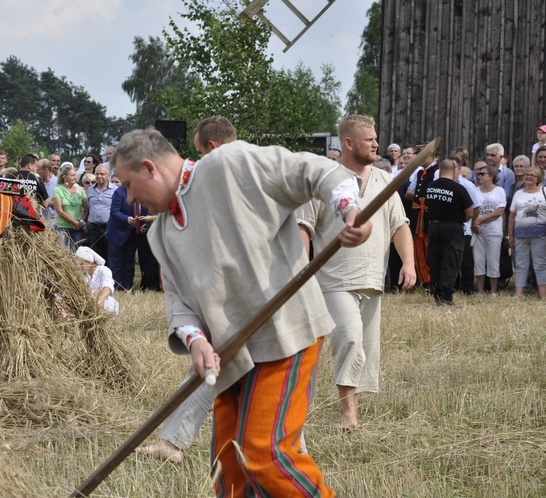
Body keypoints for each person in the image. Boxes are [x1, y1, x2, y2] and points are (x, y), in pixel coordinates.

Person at [113, 128, 371, 497]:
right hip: (232, 357)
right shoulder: (161, 234)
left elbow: (313, 171)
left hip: (284, 335)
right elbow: (180, 305)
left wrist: (350, 210)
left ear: (149, 167)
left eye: (128, 183)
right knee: (229, 466)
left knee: (263, 455)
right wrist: (197, 342)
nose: (129, 196)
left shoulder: (227, 164)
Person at [297, 115, 415, 429]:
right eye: (369, 140)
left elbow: (399, 225)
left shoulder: (383, 180)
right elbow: (303, 227)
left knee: (365, 348)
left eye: (376, 138)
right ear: (349, 143)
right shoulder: (325, 180)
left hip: (373, 279)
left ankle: (353, 412)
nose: (376, 144)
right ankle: (346, 415)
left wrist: (409, 263)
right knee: (348, 338)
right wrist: (301, 267)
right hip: (333, 279)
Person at [138, 115, 237, 464]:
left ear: (211, 147)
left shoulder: (237, 179)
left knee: (229, 366)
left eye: (198, 152)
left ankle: (174, 443)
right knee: (212, 363)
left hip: (251, 295)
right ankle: (173, 442)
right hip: (224, 292)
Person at [425, 159, 474, 305]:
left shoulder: (431, 187)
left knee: (436, 260)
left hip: (434, 227)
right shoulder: (458, 188)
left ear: (440, 170)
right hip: (452, 228)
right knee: (451, 261)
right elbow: (470, 212)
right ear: (454, 171)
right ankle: (446, 297)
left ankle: (436, 293)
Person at [508, 164, 546, 299]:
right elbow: (512, 216)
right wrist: (511, 235)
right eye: (527, 175)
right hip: (521, 235)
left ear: (539, 178)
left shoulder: (545, 192)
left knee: (540, 264)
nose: (528, 177)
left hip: (539, 235)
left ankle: (543, 294)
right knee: (520, 264)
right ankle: (519, 293)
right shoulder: (518, 193)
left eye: (532, 175)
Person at [106, 186, 159, 291]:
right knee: (116, 262)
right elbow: (114, 212)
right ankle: (115, 287)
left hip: (133, 233)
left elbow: (148, 210)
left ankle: (127, 287)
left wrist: (146, 224)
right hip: (118, 233)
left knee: (129, 261)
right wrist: (127, 219)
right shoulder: (119, 192)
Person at [406, 148, 440, 286]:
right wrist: (419, 199)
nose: (419, 159)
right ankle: (423, 280)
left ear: (433, 157)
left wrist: (422, 200)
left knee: (429, 249)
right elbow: (408, 193)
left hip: (428, 216)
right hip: (418, 216)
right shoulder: (419, 172)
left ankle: (432, 280)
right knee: (418, 249)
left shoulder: (437, 171)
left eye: (422, 156)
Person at [472, 165, 507, 295]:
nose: (479, 176)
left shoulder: (499, 191)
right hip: (478, 230)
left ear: (491, 176)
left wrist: (480, 220)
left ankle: (493, 291)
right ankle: (480, 290)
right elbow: (473, 209)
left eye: (482, 174)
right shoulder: (475, 190)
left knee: (493, 260)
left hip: (494, 230)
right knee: (478, 260)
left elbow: (499, 211)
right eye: (478, 174)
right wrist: (475, 224)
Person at [84, 164, 117, 261]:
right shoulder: (90, 190)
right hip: (94, 228)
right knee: (95, 256)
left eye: (102, 174)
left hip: (108, 227)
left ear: (108, 176)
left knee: (109, 255)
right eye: (97, 174)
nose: (99, 176)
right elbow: (89, 207)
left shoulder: (115, 190)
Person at [76, 246, 119, 315]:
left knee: (111, 305)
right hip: (85, 303)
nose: (79, 266)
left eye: (81, 263)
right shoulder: (80, 274)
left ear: (89, 262)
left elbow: (107, 288)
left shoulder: (104, 270)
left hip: (102, 302)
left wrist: (97, 304)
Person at [52, 163, 87, 248]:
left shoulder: (81, 190)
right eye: (72, 175)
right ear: (65, 177)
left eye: (75, 175)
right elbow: (60, 211)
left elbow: (87, 209)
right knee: (62, 252)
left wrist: (81, 223)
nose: (75, 177)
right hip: (62, 227)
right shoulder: (58, 190)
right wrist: (75, 222)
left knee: (77, 252)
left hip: (78, 228)